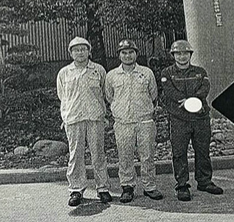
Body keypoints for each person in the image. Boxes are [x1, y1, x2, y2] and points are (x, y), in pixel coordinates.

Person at [157, 40, 224, 201]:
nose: (182, 57)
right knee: (179, 152)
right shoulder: (167, 73)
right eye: (178, 54)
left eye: (185, 53)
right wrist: (187, 100)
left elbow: (204, 89)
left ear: (190, 55)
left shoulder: (200, 72)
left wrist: (191, 99)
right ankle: (182, 185)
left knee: (202, 150)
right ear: (173, 55)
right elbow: (170, 92)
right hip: (179, 118)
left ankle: (204, 181)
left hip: (200, 118)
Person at [105, 39, 163, 203]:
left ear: (136, 54)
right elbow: (109, 97)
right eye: (124, 52)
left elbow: (153, 94)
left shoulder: (146, 73)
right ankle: (127, 187)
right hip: (123, 122)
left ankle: (149, 186)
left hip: (144, 121)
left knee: (147, 155)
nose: (127, 55)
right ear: (119, 55)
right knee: (125, 155)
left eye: (131, 52)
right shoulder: (112, 75)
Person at [56, 36, 112, 206]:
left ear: (89, 51)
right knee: (75, 155)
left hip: (95, 117)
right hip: (74, 118)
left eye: (83, 49)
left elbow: (105, 92)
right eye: (76, 50)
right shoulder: (64, 73)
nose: (80, 52)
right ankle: (76, 189)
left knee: (98, 154)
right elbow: (62, 96)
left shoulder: (98, 70)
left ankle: (102, 188)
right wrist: (66, 115)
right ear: (71, 53)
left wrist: (103, 113)